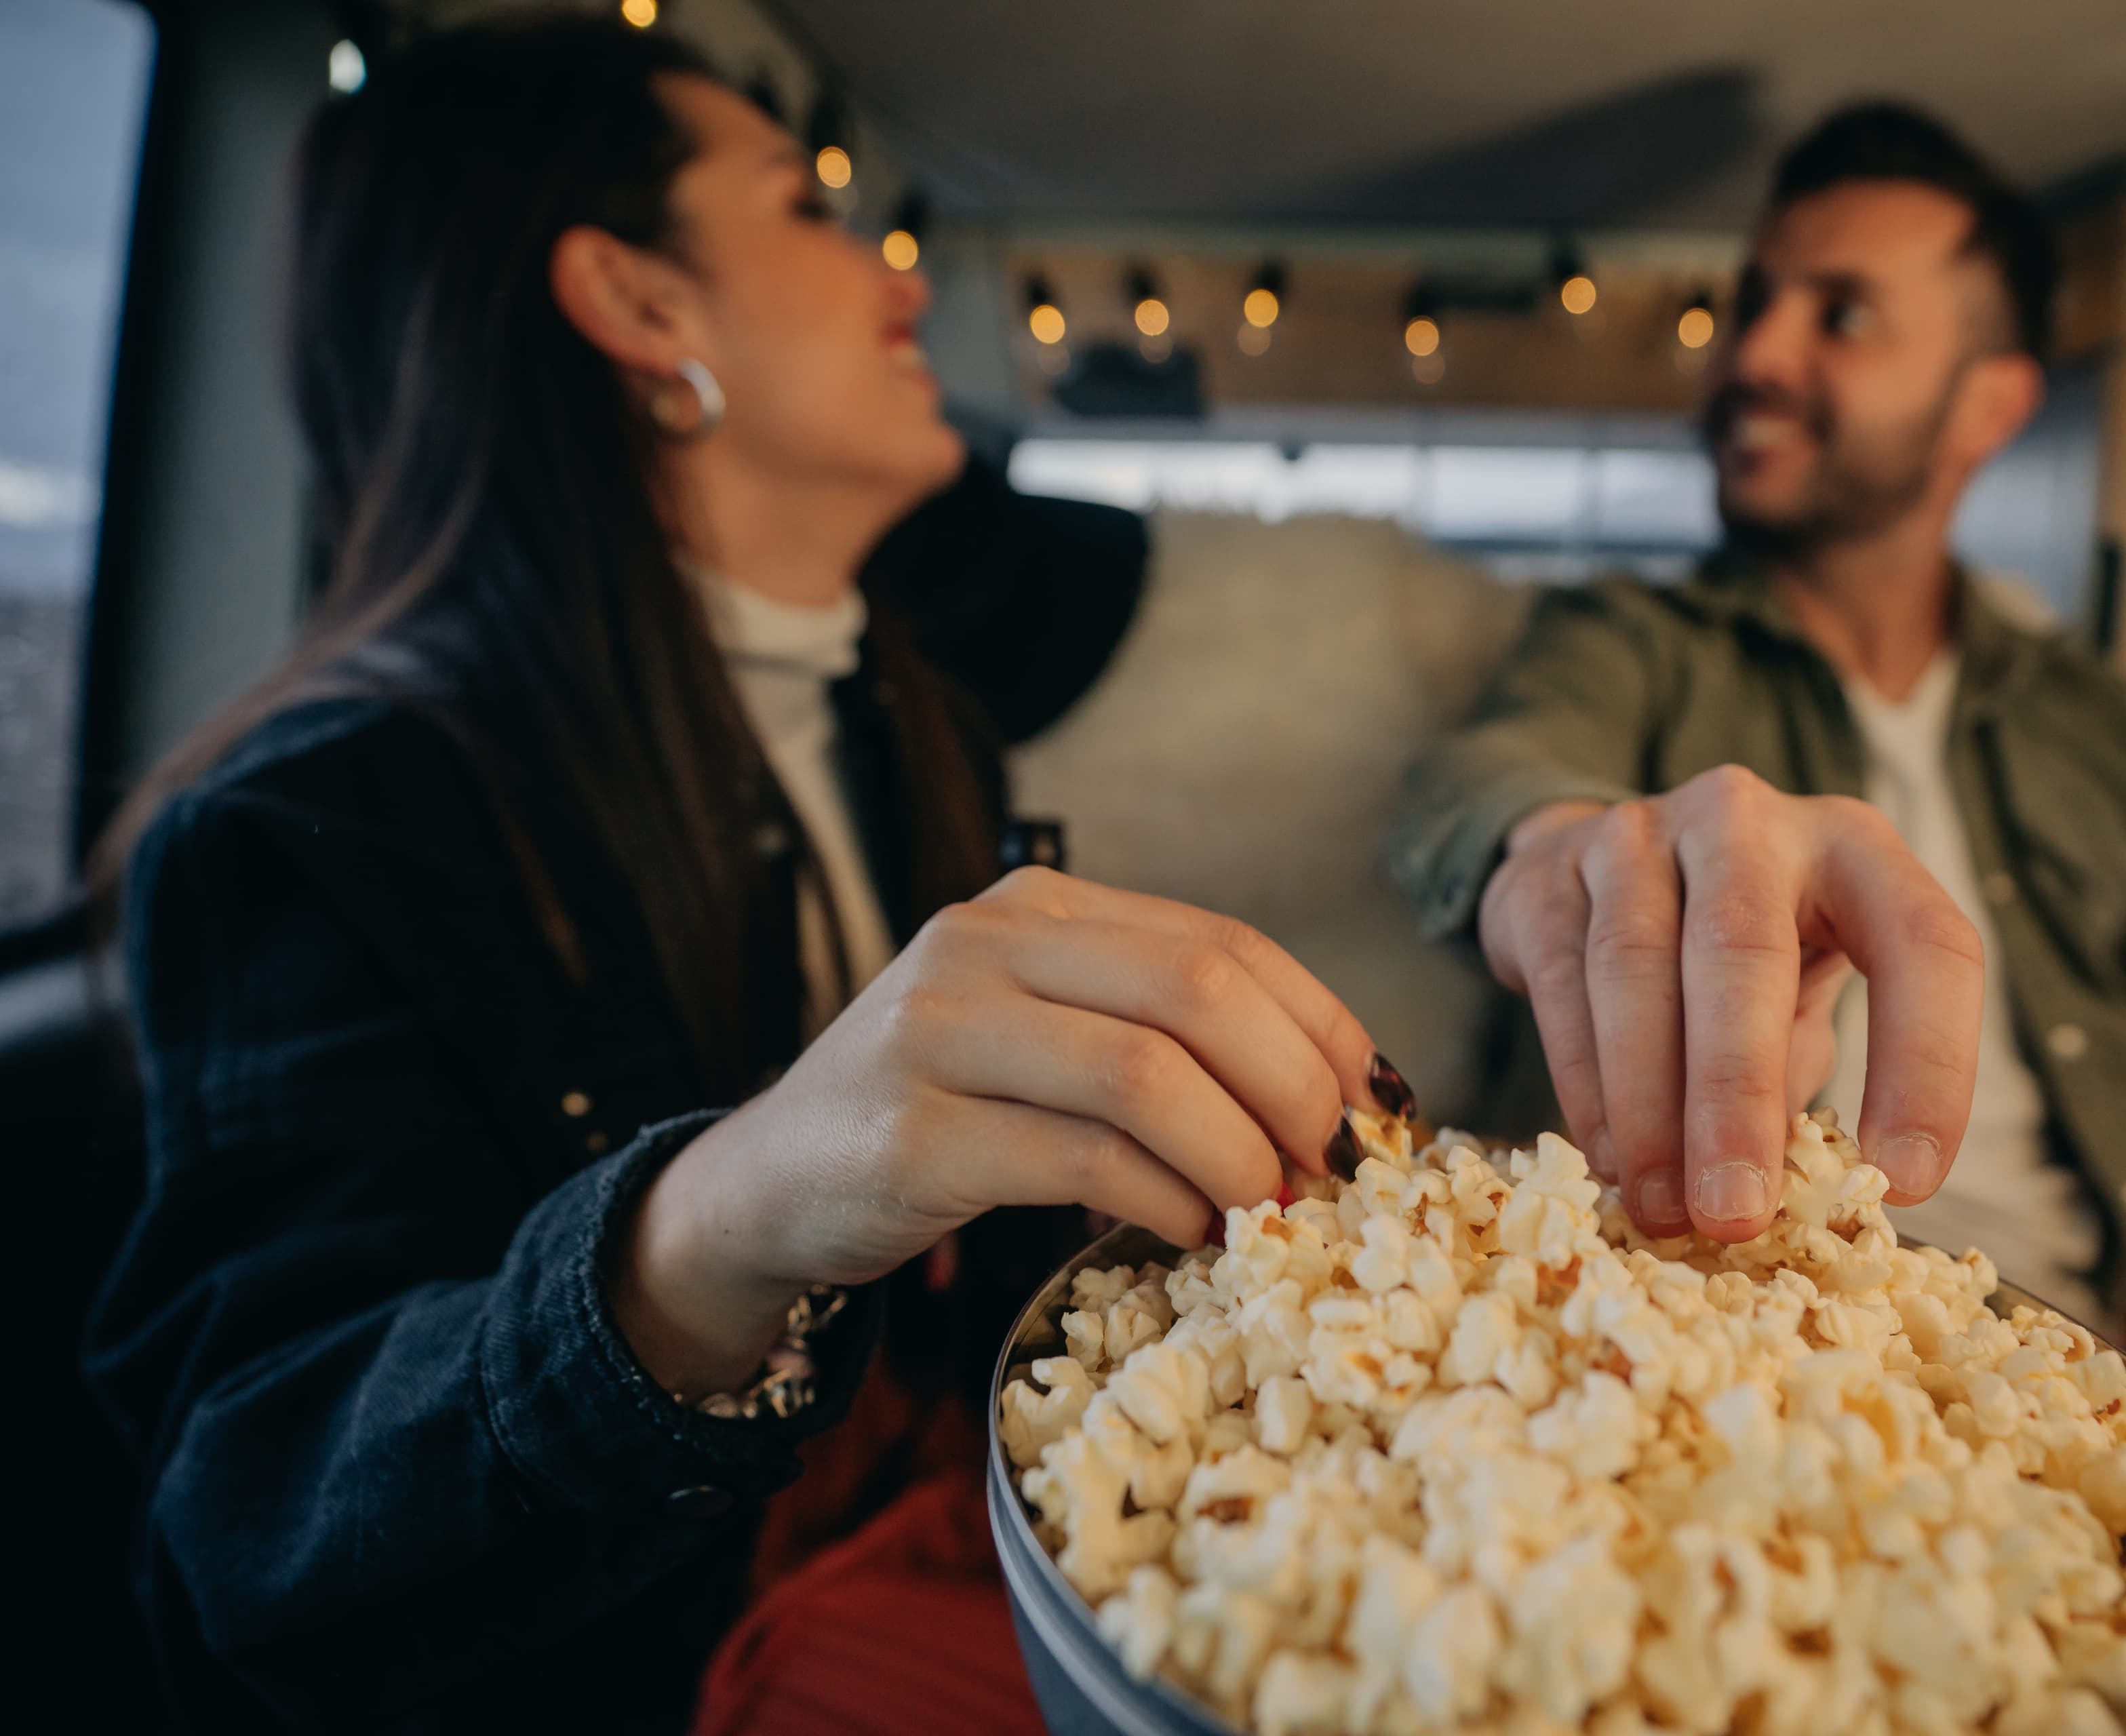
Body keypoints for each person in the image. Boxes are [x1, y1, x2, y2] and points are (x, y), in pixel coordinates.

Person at [83, 22, 1402, 1731]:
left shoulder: (910, 715)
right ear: (643, 308)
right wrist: (708, 1222)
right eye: (809, 210)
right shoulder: (317, 823)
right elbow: (240, 1527)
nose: (903, 284)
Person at [1389, 103, 2126, 1583]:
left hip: (2084, 1378)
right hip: (1742, 1372)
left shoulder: (2095, 718)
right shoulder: (1627, 638)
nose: (1756, 353)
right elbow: (1479, 777)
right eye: (1753, 302)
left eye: (1840, 315)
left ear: (1989, 406)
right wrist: (1566, 851)